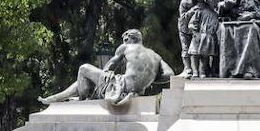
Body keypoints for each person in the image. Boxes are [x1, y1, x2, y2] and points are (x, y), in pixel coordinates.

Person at [39, 29, 174, 107]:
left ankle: (82, 100)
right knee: (92, 80)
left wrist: (108, 72)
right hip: (137, 90)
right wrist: (147, 79)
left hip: (122, 87)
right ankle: (56, 98)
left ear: (128, 38)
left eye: (124, 38)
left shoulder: (126, 47)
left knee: (84, 68)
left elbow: (110, 64)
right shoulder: (155, 56)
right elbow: (170, 75)